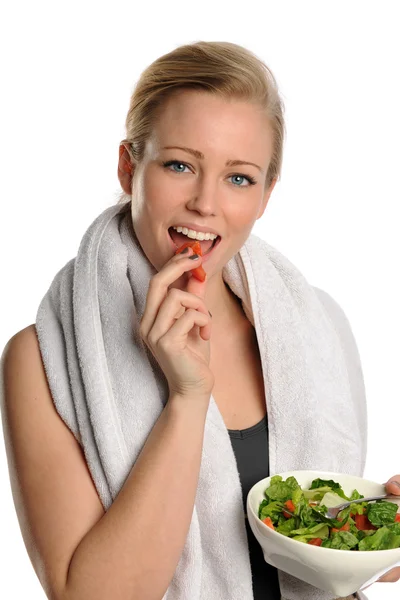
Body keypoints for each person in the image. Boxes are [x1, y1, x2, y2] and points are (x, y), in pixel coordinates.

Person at [1, 40, 399, 600]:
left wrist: (377, 537)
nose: (205, 204)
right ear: (128, 166)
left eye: (239, 178)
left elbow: (301, 546)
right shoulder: (42, 360)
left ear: (265, 195)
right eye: (180, 165)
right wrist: (187, 399)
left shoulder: (317, 329)